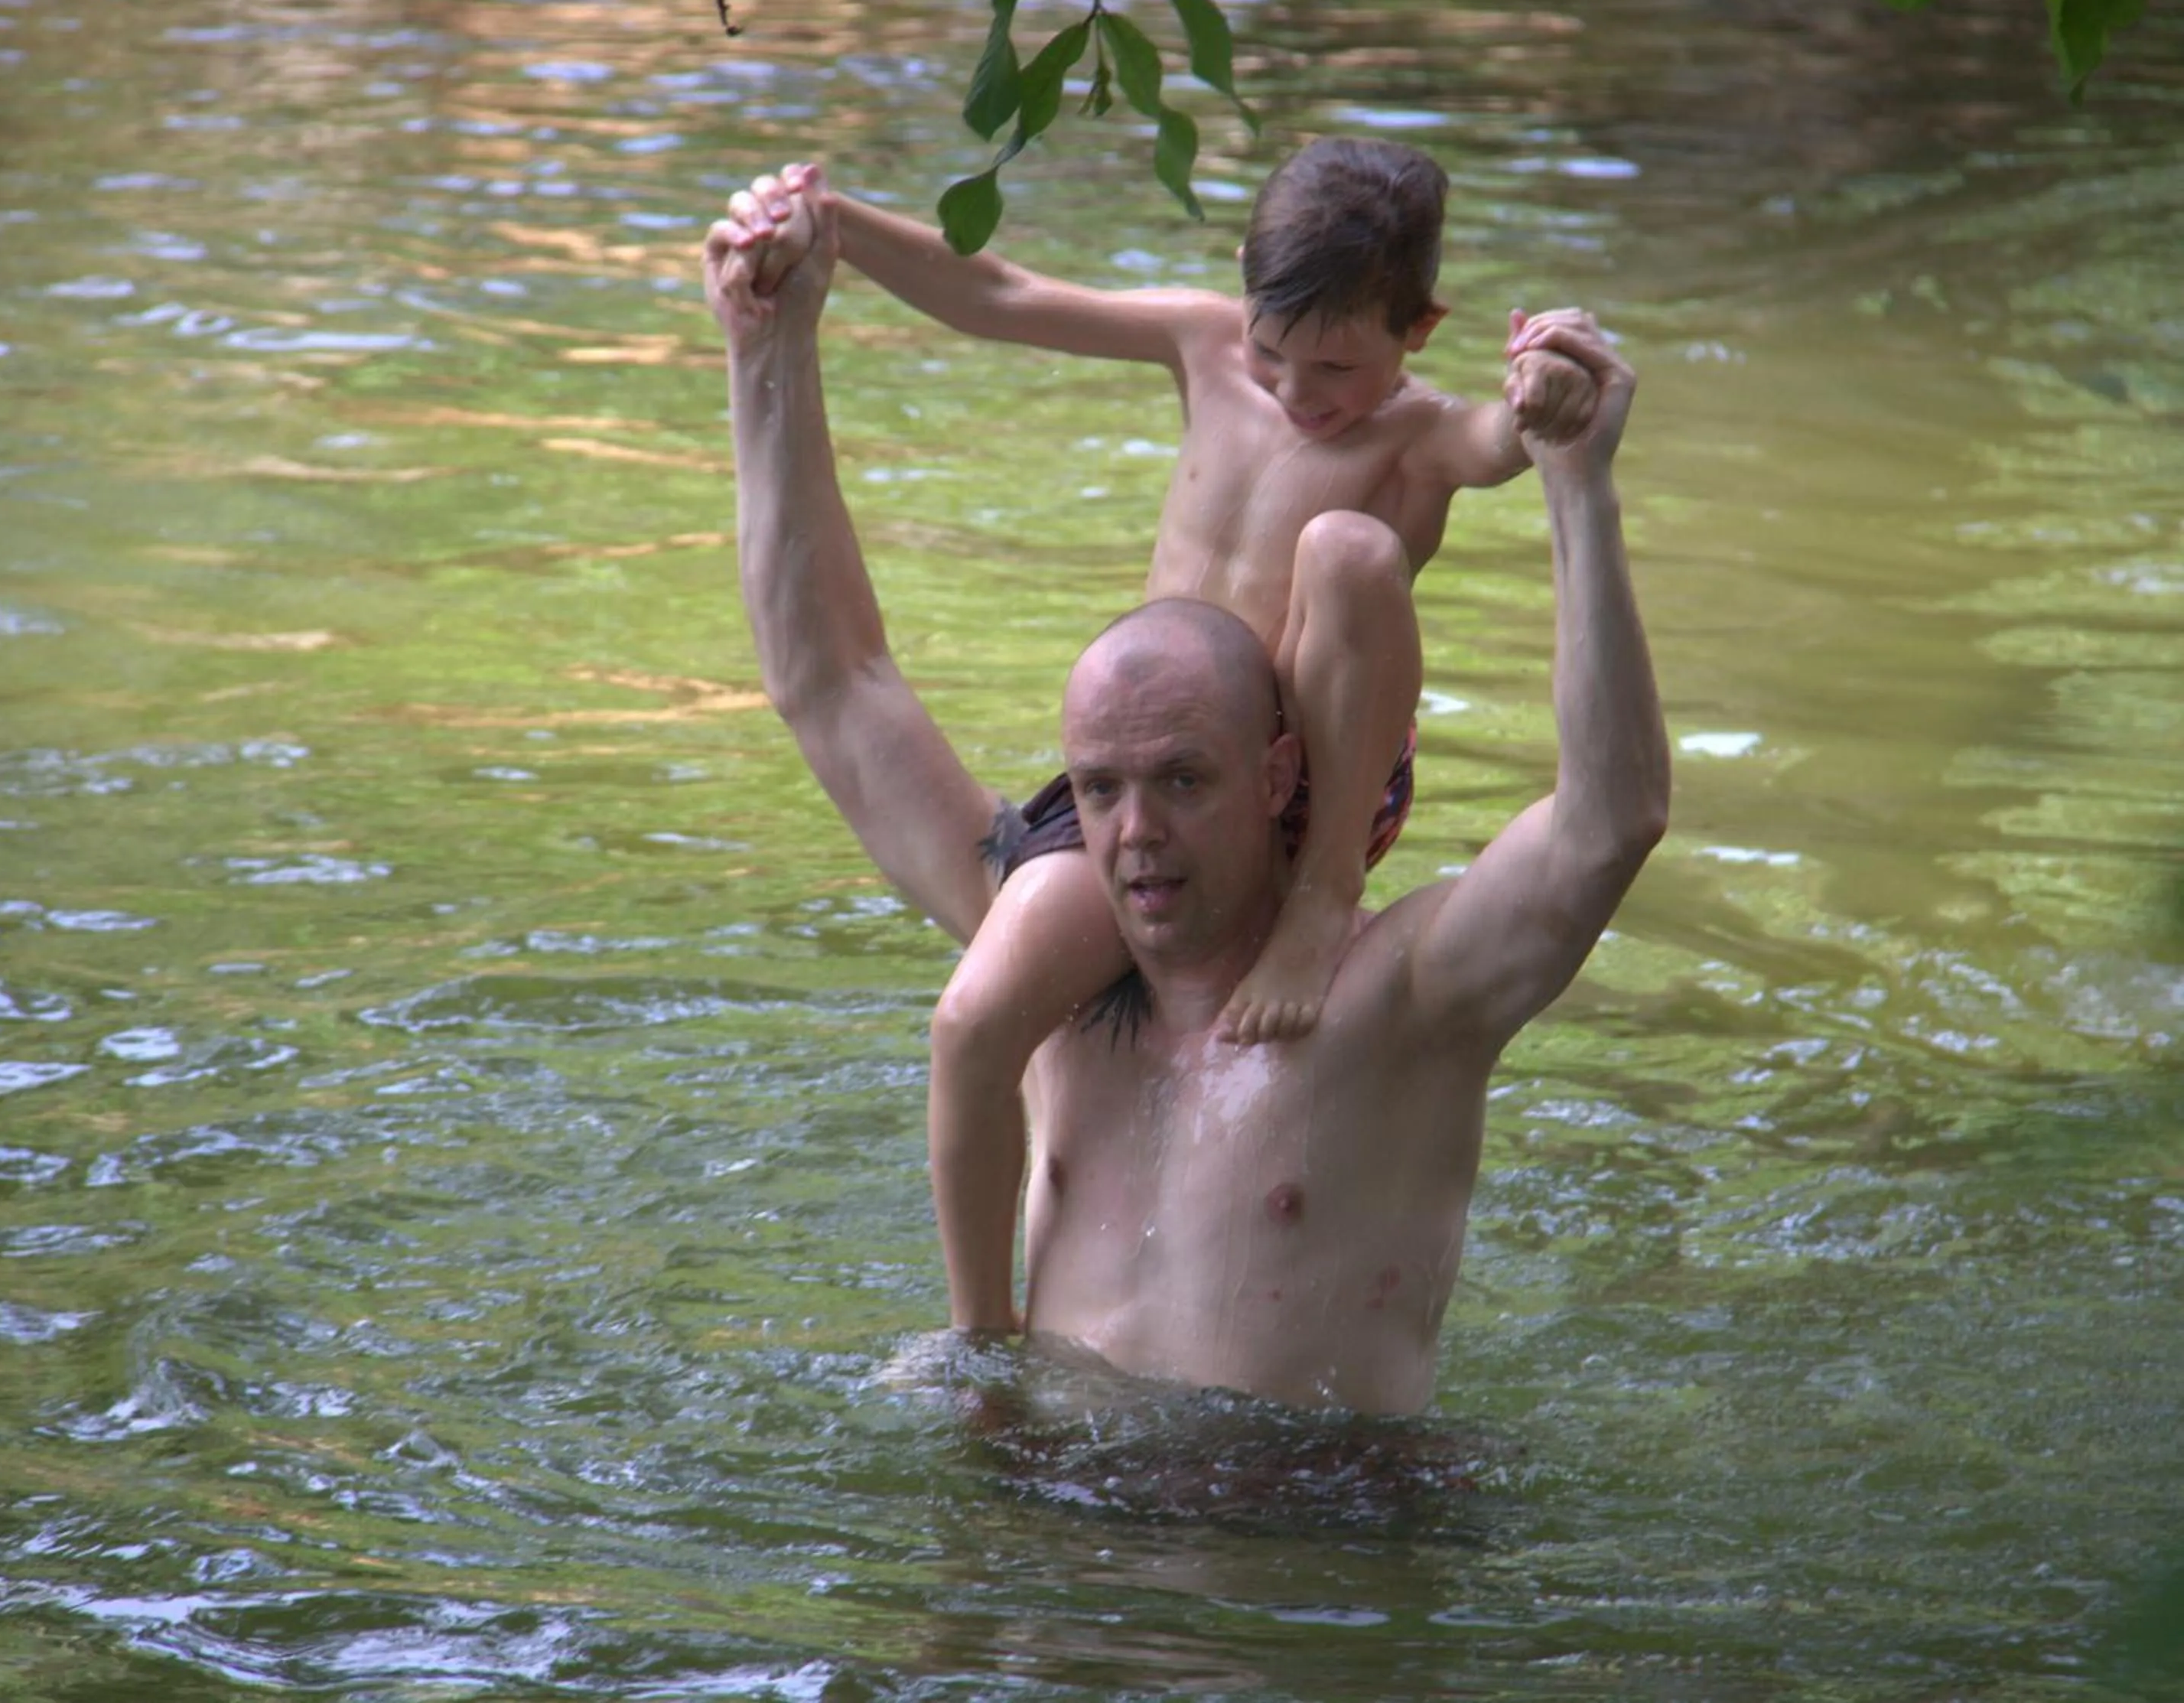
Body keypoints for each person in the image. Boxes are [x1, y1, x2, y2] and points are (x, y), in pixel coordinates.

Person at [703, 172, 1669, 1418]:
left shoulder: (1397, 1003)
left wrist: (1579, 484)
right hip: (1052, 1546)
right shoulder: (1047, 955)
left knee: (1350, 553)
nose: (1134, 836)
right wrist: (767, 342)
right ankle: (973, 1345)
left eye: (1181, 782)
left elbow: (1613, 817)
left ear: (1278, 771)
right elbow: (831, 681)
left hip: (1302, 1560)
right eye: (1098, 788)